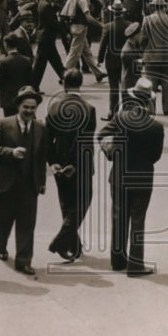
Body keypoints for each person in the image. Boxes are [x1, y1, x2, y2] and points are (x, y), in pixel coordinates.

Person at [98, 77, 165, 275]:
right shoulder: (156, 127)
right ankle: (136, 264)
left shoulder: (120, 118)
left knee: (119, 217)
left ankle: (117, 260)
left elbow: (101, 135)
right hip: (143, 178)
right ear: (149, 101)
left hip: (119, 175)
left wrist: (113, 151)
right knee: (138, 220)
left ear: (133, 98)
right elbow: (156, 156)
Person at [0, 86, 48, 275]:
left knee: (27, 224)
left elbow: (41, 157)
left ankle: (23, 261)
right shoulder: (2, 124)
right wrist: (11, 152)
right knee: (2, 221)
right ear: (18, 107)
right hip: (5, 184)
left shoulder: (40, 128)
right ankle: (1, 245)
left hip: (29, 185)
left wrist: (42, 181)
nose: (29, 111)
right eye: (26, 107)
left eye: (33, 107)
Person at [46, 69, 97, 262]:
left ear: (63, 84)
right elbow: (85, 141)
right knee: (83, 201)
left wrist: (54, 162)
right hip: (81, 165)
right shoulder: (89, 109)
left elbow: (47, 140)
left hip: (59, 164)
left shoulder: (53, 108)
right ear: (81, 83)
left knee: (67, 205)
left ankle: (73, 246)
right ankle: (61, 241)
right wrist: (75, 164)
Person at [97, 0, 130, 119]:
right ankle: (127, 112)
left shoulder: (107, 27)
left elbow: (103, 44)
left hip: (111, 60)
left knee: (113, 87)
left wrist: (99, 59)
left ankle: (112, 112)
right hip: (126, 60)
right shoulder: (129, 25)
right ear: (123, 12)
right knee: (126, 86)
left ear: (112, 12)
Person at [0, 32, 34, 118]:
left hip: (8, 101)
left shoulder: (3, 62)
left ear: (6, 45)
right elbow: (31, 81)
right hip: (23, 98)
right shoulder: (27, 60)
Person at [33, 0, 67, 88]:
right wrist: (64, 32)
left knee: (53, 63)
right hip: (46, 38)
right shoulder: (46, 6)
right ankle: (67, 81)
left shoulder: (44, 3)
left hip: (46, 38)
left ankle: (66, 80)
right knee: (42, 65)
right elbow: (52, 23)